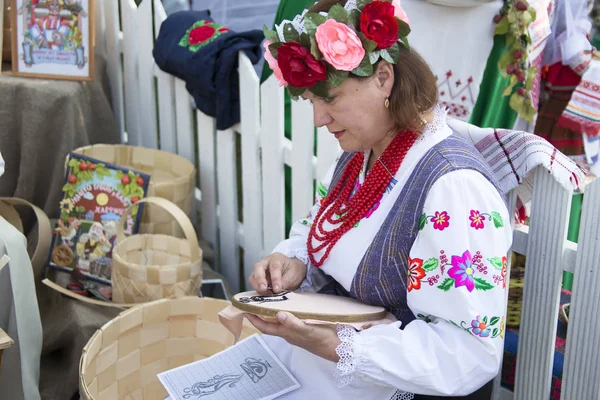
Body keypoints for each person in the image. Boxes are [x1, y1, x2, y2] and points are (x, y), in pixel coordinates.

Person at [245, 0, 512, 399]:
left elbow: (468, 351)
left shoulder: (453, 188)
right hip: (340, 373)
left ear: (383, 78)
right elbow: (324, 222)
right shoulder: (363, 151)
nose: (318, 118)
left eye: (330, 99)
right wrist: (294, 259)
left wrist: (332, 344)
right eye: (312, 102)